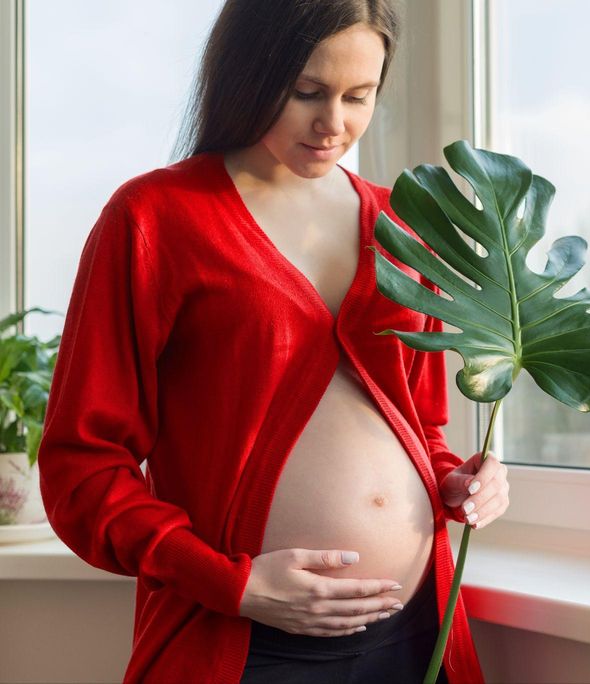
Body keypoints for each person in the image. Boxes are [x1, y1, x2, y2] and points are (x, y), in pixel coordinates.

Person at [36, 1, 509, 682]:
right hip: (246, 643)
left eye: (359, 96)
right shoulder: (154, 219)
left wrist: (458, 479)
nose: (334, 124)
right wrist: (232, 583)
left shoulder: (403, 225)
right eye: (307, 93)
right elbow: (83, 468)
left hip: (415, 638)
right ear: (249, 75)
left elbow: (421, 423)